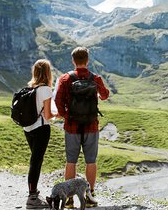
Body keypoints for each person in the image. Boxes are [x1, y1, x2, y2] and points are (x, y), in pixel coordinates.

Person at [55, 47, 109, 208]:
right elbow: (105, 95)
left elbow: (58, 101)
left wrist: (66, 115)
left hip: (71, 126)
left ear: (73, 61)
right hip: (91, 125)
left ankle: (69, 199)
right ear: (87, 60)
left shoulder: (66, 78)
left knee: (71, 162)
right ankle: (90, 196)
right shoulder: (95, 78)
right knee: (90, 161)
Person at [24, 59, 58, 209]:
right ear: (48, 73)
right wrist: (60, 115)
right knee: (36, 162)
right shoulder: (46, 90)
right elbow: (48, 115)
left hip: (28, 129)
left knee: (34, 161)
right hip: (41, 129)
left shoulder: (30, 87)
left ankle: (33, 193)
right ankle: (32, 198)